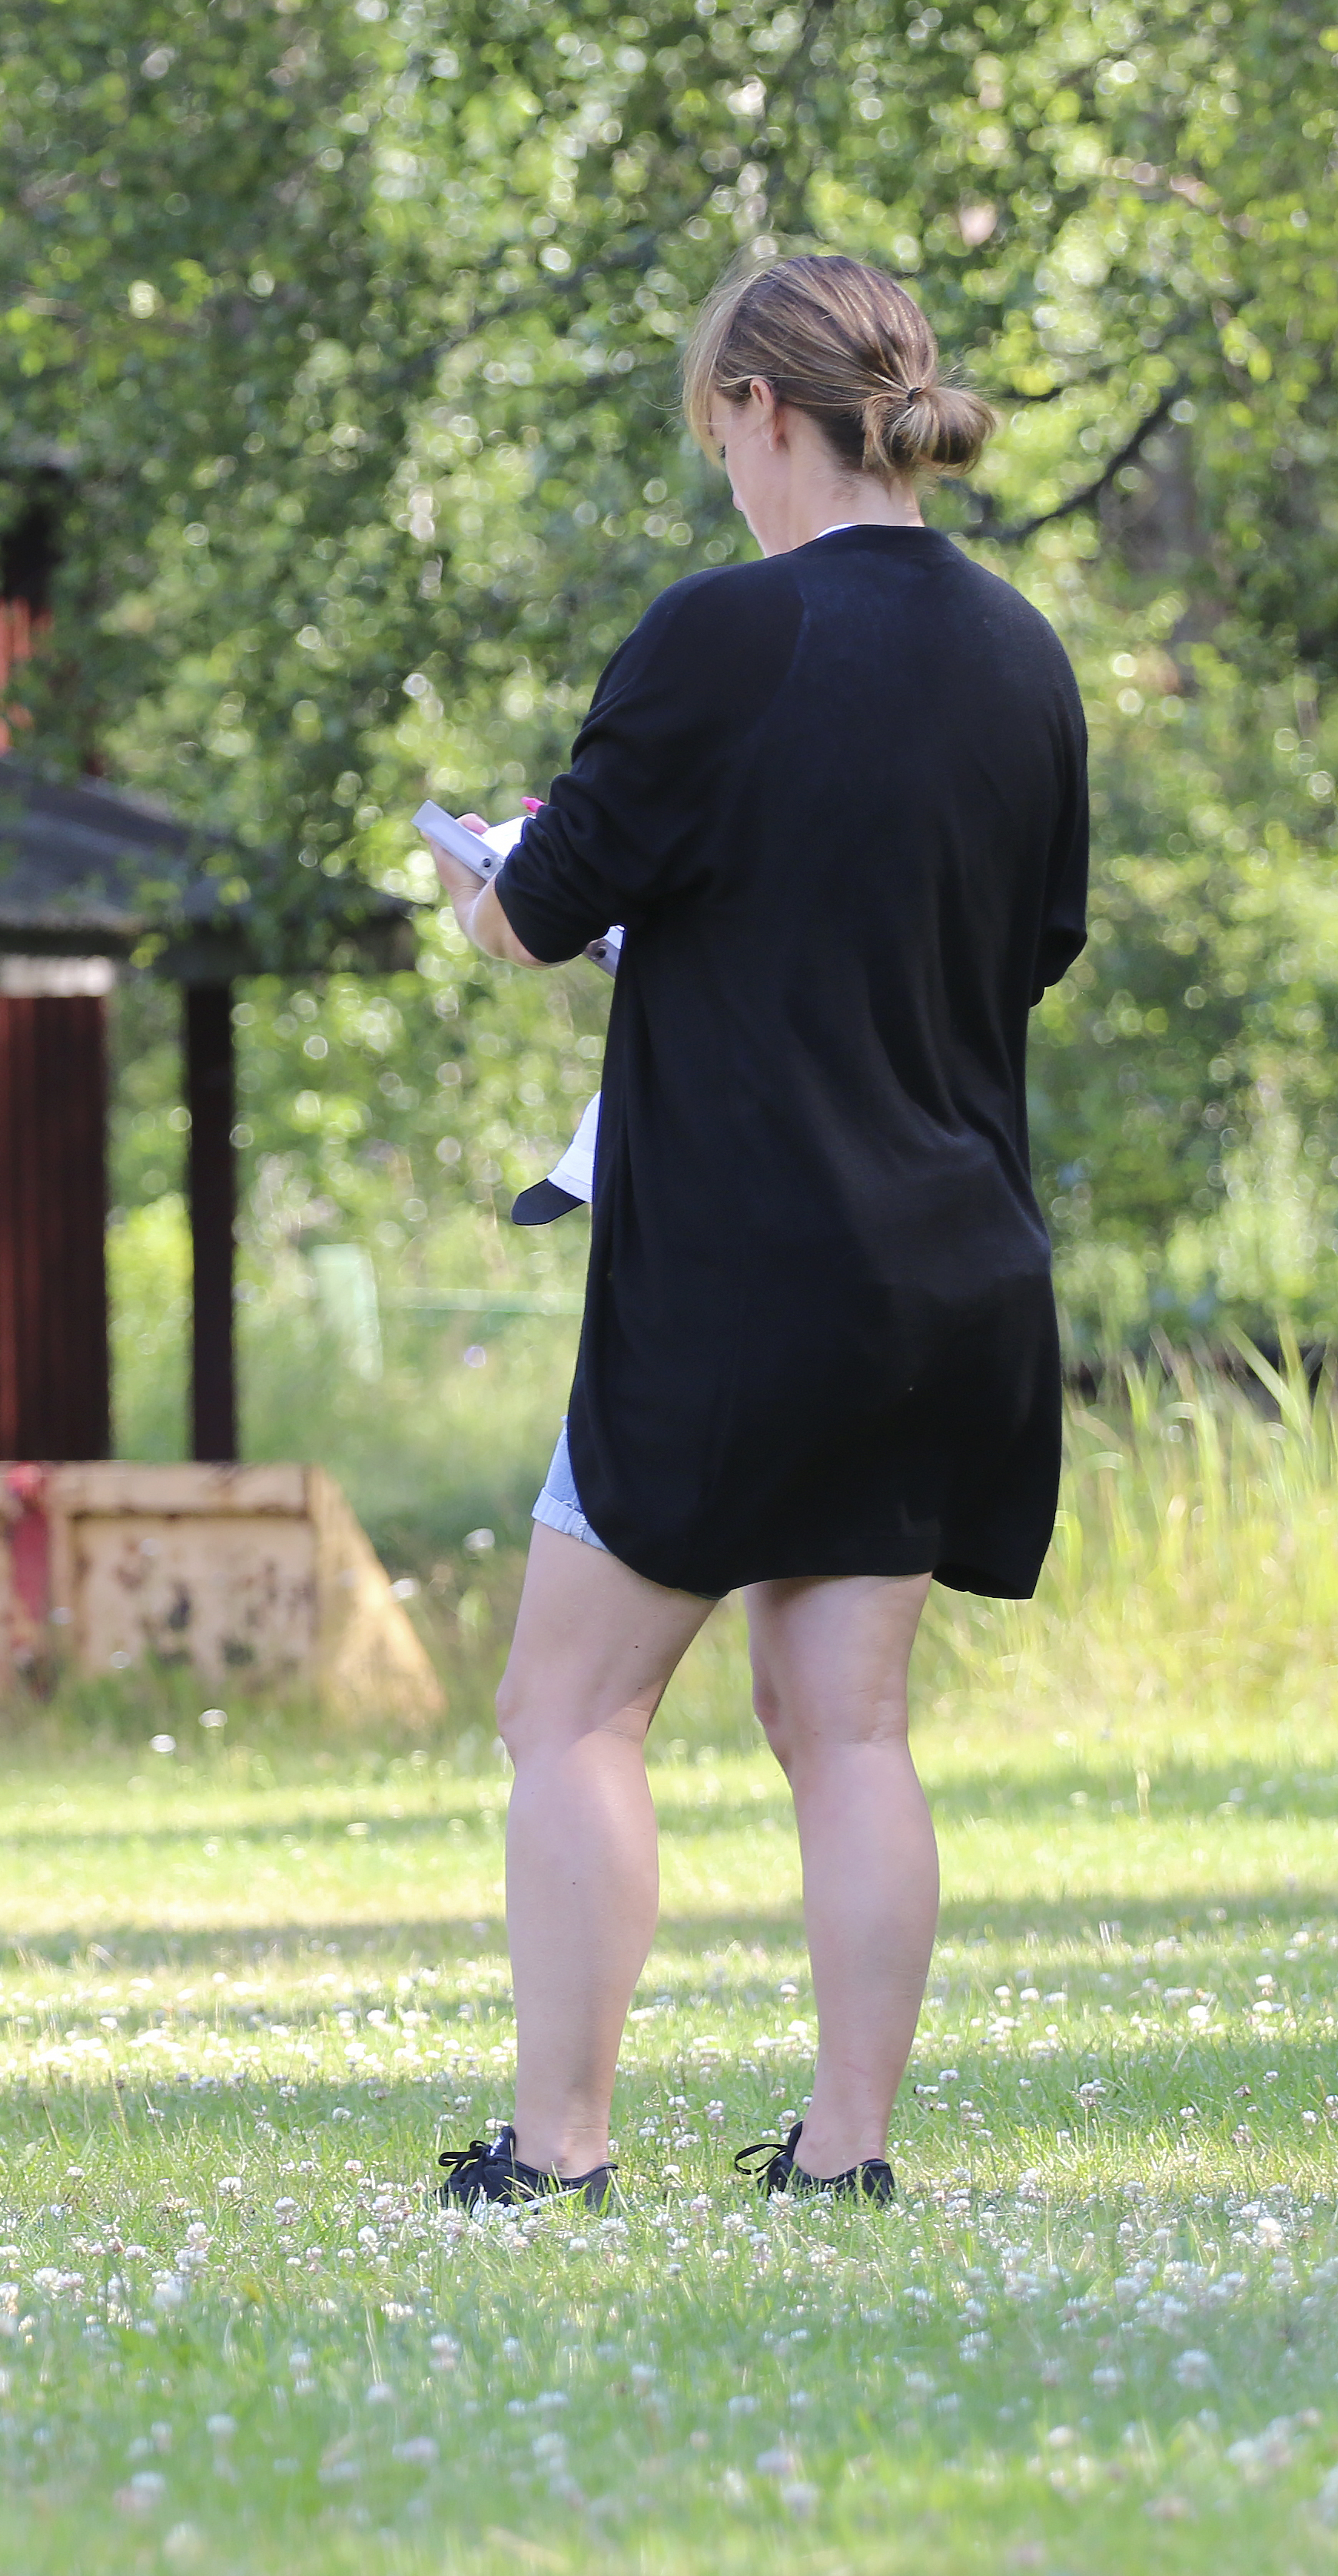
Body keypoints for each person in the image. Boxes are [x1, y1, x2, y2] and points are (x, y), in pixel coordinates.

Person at [419, 254, 1088, 2208]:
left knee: (569, 1705)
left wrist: (499, 875)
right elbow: (1015, 945)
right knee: (843, 1724)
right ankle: (842, 2153)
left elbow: (536, 913)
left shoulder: (722, 634)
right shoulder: (1023, 656)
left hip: (733, 1269)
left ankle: (554, 2150)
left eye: (710, 421)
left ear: (752, 412)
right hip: (948, 1267)